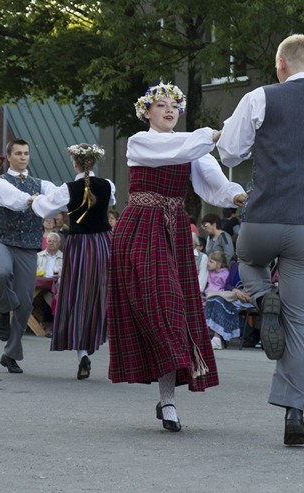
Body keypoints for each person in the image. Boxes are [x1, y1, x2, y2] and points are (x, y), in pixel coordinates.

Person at [217, 34, 304, 445]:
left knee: (248, 261)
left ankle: (260, 297)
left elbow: (231, 153)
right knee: (299, 322)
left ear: (281, 64)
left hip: (263, 219)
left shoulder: (260, 97)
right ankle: (294, 412)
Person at [107, 82, 246, 432]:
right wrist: (214, 134)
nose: (169, 110)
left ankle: (167, 400)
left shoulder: (191, 147)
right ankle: (164, 392)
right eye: (161, 105)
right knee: (156, 304)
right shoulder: (142, 142)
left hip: (174, 232)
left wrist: (238, 196)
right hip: (139, 229)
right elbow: (172, 149)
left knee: (172, 307)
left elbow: (215, 185)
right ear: (147, 112)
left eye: (174, 105)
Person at [31, 143, 116, 379]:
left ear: (74, 162)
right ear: (94, 162)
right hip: (103, 244)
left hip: (80, 246)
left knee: (78, 296)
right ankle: (95, 344)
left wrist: (35, 200)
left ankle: (82, 353)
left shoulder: (68, 188)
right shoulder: (108, 185)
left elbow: (46, 210)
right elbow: (108, 204)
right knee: (101, 294)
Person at [0, 139, 58, 373]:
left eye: (26, 153)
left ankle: (10, 354)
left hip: (28, 247)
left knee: (25, 305)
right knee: (2, 271)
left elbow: (59, 196)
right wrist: (34, 199)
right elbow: (15, 199)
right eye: (18, 153)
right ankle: (2, 308)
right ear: (9, 156)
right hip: (3, 242)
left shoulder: (41, 183)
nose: (23, 157)